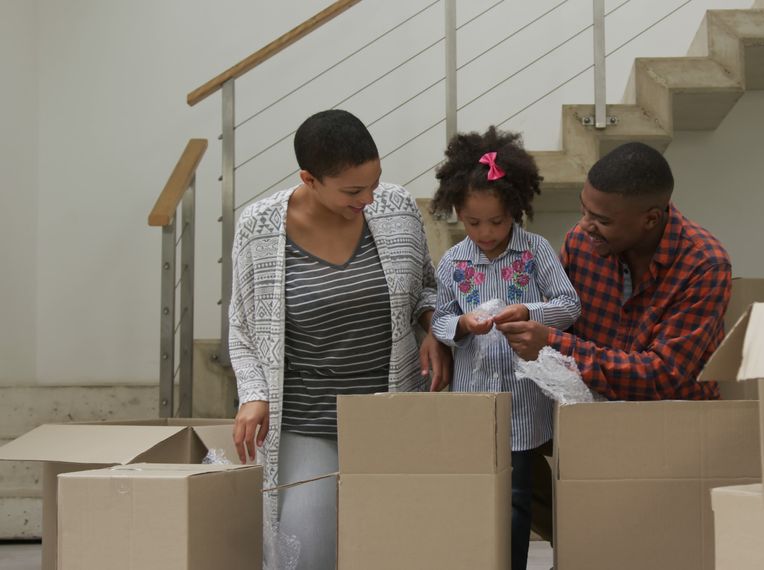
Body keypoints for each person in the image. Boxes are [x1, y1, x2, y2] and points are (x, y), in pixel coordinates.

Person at [229, 109, 451, 569]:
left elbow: (426, 287)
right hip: (308, 419)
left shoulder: (397, 207)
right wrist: (253, 395)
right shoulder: (259, 227)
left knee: (396, 547)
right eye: (353, 191)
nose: (369, 198)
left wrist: (432, 325)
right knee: (307, 552)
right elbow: (243, 326)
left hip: (392, 411)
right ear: (309, 179)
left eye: (374, 183)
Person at [429, 126, 581, 570]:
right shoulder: (453, 261)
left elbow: (568, 304)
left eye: (497, 221)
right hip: (472, 400)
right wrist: (460, 323)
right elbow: (438, 318)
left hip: (523, 402)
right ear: (456, 211)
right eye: (473, 222)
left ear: (515, 210)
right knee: (475, 493)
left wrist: (527, 311)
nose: (486, 232)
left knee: (516, 498)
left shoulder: (535, 253)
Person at [499, 141, 732, 400]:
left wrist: (553, 344)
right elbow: (559, 318)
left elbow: (663, 375)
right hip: (595, 416)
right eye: (584, 210)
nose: (585, 225)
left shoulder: (704, 265)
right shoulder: (580, 242)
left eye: (602, 220)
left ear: (651, 219)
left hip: (676, 422)